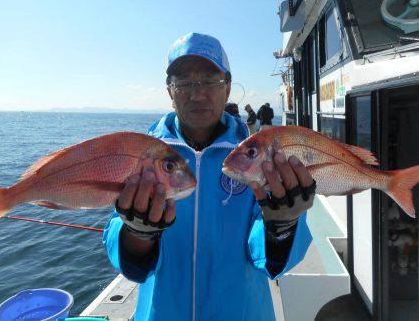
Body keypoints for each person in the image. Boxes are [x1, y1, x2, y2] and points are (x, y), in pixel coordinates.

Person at [103, 32, 315, 321]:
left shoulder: (256, 158)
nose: (197, 93)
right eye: (185, 82)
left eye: (210, 81)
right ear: (169, 91)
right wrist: (137, 234)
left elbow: (269, 260)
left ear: (227, 88)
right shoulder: (144, 158)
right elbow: (121, 244)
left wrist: (283, 225)